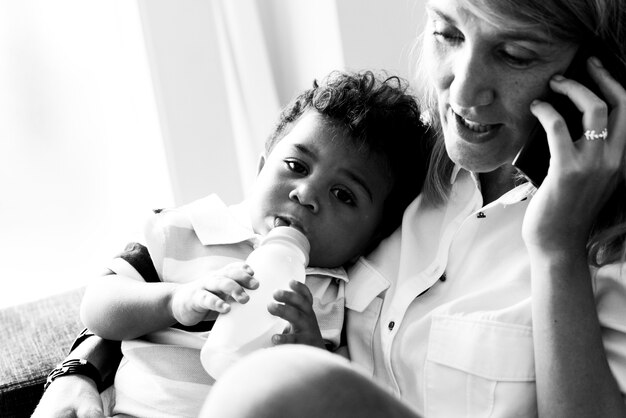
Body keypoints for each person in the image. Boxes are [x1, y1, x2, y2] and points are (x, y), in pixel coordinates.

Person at [33, 0, 626, 416]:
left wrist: (557, 250)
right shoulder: (398, 166)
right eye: (448, 32)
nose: (463, 92)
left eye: (516, 54)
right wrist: (81, 370)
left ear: (594, 72)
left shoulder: (605, 248)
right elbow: (181, 266)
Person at [37, 70, 431, 417]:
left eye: (344, 195)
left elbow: (329, 395)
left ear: (374, 235)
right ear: (261, 168)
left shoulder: (334, 294)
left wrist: (306, 353)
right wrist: (176, 301)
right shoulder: (187, 229)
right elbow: (98, 306)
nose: (307, 194)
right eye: (296, 166)